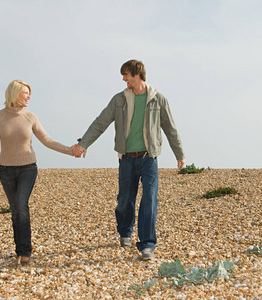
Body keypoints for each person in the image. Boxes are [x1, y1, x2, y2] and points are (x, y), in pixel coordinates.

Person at [75, 60, 185, 260]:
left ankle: (147, 245)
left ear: (137, 74)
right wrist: (84, 143)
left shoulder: (158, 99)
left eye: (126, 75)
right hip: (126, 158)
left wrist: (180, 154)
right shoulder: (119, 99)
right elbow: (101, 122)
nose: (123, 79)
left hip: (149, 158)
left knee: (149, 199)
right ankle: (125, 231)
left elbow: (170, 128)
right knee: (125, 200)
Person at [0, 80, 82, 264]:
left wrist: (70, 150)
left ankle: (25, 253)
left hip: (28, 168)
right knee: (15, 211)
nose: (28, 96)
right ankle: (20, 249)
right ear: (14, 94)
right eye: (25, 93)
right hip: (6, 171)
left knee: (21, 205)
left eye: (29, 93)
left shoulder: (30, 117)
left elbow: (47, 140)